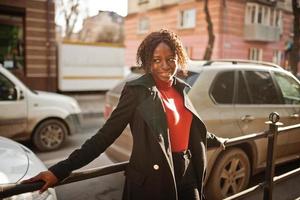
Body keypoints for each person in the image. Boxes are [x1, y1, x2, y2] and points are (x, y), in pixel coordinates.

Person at [23, 29, 226, 200]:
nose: (165, 65)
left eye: (170, 59)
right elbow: (104, 136)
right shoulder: (137, 91)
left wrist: (219, 140)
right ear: (148, 62)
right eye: (157, 60)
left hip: (187, 172)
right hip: (153, 180)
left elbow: (190, 128)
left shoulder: (180, 89)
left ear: (178, 58)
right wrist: (58, 170)